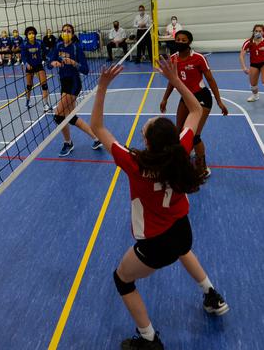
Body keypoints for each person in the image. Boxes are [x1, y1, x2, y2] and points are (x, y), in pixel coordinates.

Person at [90, 58, 229, 350]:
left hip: (154, 243)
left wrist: (101, 87)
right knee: (183, 249)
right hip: (181, 227)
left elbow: (97, 126)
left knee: (122, 279)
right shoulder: (181, 150)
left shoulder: (134, 162)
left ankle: (148, 338)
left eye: (147, 126)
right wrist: (176, 80)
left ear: (148, 141)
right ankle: (212, 294)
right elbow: (195, 110)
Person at [159, 30, 228, 177]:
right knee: (179, 132)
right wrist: (165, 98)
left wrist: (219, 101)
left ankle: (202, 167)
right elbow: (173, 81)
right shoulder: (173, 59)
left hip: (202, 97)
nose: (180, 42)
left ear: (189, 42)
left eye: (184, 40)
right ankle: (181, 160)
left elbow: (211, 80)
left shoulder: (198, 58)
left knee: (195, 136)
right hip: (186, 97)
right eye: (178, 39)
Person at [47, 23, 102, 156]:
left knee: (58, 116)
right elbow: (49, 62)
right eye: (64, 31)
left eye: (69, 31)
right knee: (70, 117)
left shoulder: (76, 48)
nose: (66, 33)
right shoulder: (58, 46)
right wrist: (52, 63)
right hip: (64, 82)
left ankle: (68, 143)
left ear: (72, 34)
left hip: (74, 83)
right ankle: (96, 138)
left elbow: (86, 70)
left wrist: (73, 63)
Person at [240, 25, 264, 109]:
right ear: (253, 32)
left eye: (260, 31)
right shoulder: (248, 42)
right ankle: (255, 96)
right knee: (253, 85)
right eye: (256, 31)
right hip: (254, 64)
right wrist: (244, 67)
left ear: (263, 32)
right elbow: (241, 55)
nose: (258, 32)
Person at [21, 26, 51, 111]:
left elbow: (46, 52)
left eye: (33, 33)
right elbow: (23, 56)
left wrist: (48, 59)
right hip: (29, 67)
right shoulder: (24, 44)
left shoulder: (39, 42)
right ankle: (27, 101)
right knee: (29, 86)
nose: (31, 35)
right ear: (27, 35)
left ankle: (46, 104)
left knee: (44, 85)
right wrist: (26, 64)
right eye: (29, 33)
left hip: (38, 65)